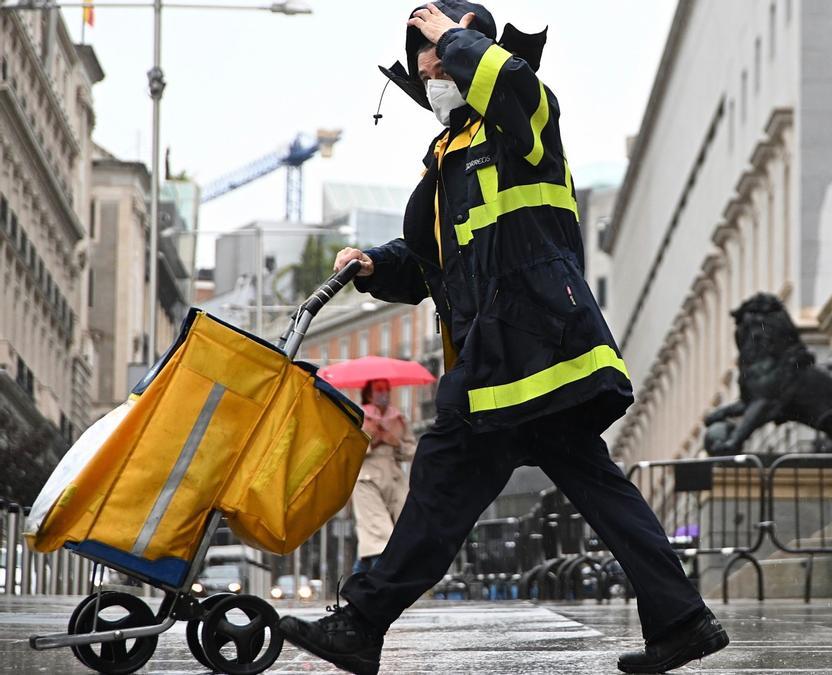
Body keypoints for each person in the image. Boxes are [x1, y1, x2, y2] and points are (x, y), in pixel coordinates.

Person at [277, 3, 729, 674]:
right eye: (422, 55)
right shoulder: (448, 157)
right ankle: (682, 617)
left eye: (431, 51)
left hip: (534, 342)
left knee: (442, 483)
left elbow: (509, 78)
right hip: (499, 360)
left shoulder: (524, 110)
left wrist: (451, 32)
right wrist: (374, 265)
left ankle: (362, 623)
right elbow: (438, 258)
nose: (426, 65)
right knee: (575, 482)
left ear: (470, 47)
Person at [351, 379, 415, 575]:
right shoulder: (359, 418)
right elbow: (350, 450)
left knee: (399, 534)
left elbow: (411, 450)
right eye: (379, 390)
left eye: (387, 389)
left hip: (394, 481)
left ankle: (358, 581)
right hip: (367, 479)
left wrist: (395, 442)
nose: (384, 394)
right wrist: (373, 441)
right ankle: (379, 585)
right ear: (369, 394)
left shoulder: (398, 419)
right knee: (380, 535)